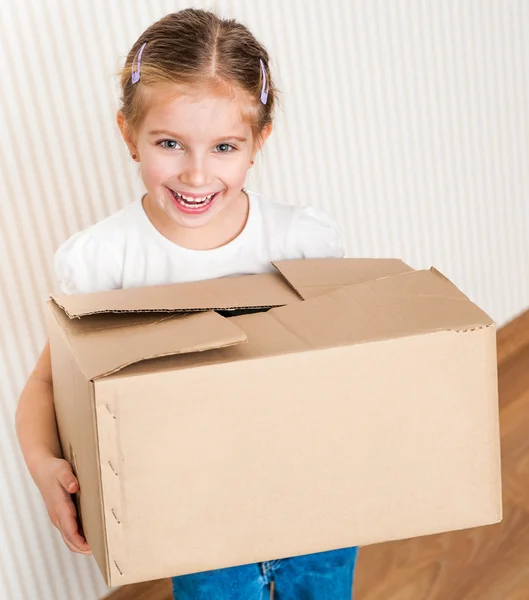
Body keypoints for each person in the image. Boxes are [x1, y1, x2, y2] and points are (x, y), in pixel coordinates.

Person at [16, 8, 358, 600]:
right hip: (197, 513)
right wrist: (44, 466)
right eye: (170, 143)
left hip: (312, 504)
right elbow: (47, 382)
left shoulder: (302, 241)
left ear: (259, 143)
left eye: (224, 146)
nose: (196, 175)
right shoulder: (105, 262)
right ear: (128, 135)